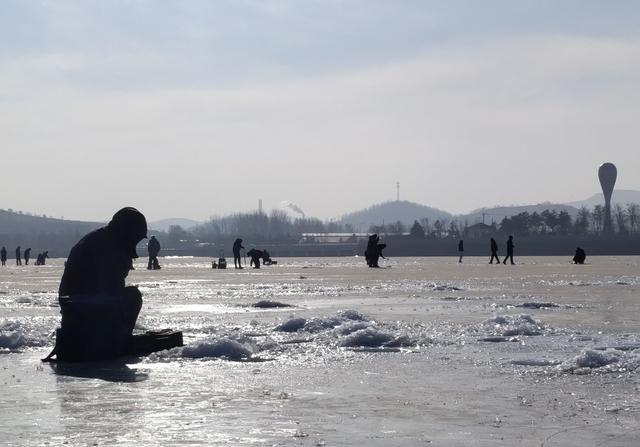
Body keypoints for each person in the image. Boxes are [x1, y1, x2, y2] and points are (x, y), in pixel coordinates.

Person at [55, 207, 148, 361]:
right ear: (127, 232)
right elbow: (111, 290)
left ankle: (115, 337)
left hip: (77, 309)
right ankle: (119, 342)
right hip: (83, 310)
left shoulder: (102, 239)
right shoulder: (107, 247)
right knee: (133, 296)